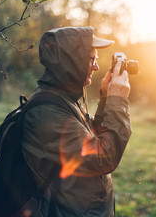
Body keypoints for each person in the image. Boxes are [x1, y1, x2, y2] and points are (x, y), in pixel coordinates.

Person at [21, 26, 132, 216]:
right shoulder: (46, 113)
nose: (96, 66)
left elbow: (92, 141)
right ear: (70, 62)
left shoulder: (63, 100)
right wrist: (117, 101)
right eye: (91, 60)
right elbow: (103, 157)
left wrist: (105, 99)